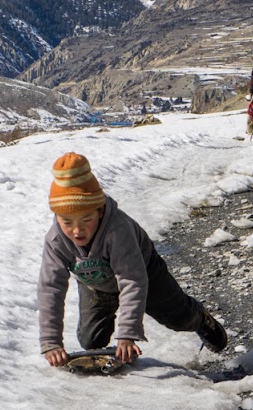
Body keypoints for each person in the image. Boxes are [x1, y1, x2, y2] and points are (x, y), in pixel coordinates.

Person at [38, 152, 228, 366]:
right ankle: (118, 349)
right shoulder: (55, 240)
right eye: (67, 222)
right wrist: (51, 342)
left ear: (99, 211)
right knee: (91, 341)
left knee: (179, 318)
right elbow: (50, 289)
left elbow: (132, 279)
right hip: (96, 282)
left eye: (86, 219)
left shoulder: (117, 230)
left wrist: (127, 335)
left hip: (144, 271)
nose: (77, 230)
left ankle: (203, 320)